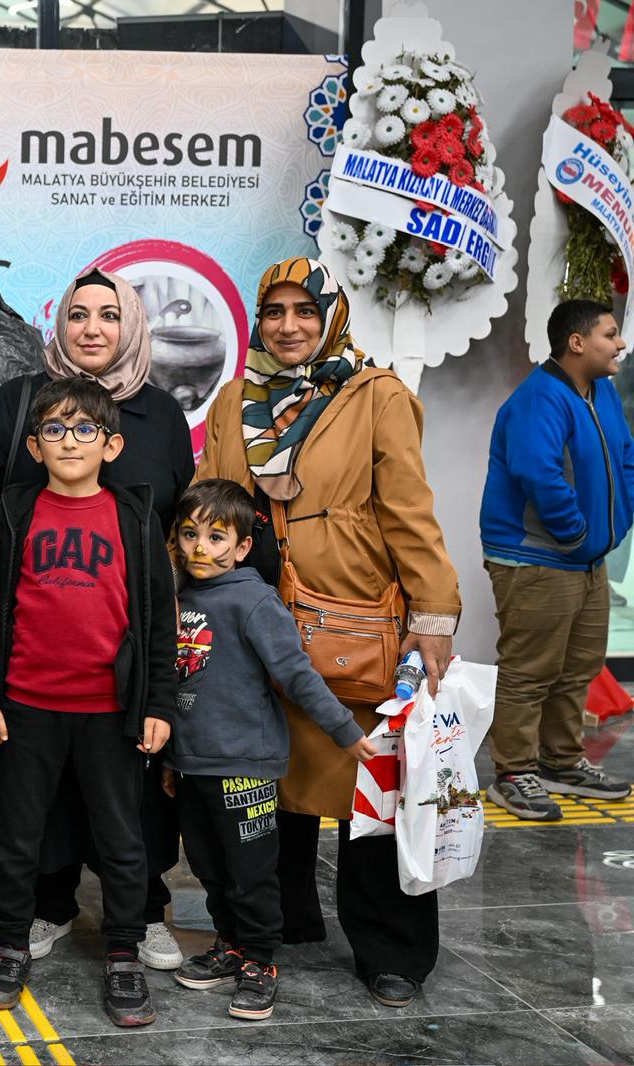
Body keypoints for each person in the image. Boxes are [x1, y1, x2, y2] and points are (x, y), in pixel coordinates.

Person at [194, 256, 460, 1009]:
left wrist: (434, 614)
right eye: (273, 312)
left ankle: (393, 950)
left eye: (303, 312)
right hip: (253, 624)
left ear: (331, 317)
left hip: (353, 624)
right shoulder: (232, 401)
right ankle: (275, 926)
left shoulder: (376, 396)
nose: (287, 326)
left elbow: (409, 510)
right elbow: (209, 505)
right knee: (263, 787)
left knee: (368, 790)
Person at [0, 267, 193, 969]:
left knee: (126, 822)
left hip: (112, 683)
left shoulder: (156, 433)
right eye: (77, 315)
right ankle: (39, 912)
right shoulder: (17, 418)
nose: (92, 328)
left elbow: (162, 588)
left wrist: (157, 693)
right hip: (32, 686)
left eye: (108, 315)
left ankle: (135, 926)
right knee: (27, 821)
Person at [166, 479, 376, 1022]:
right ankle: (229, 943)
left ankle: (260, 957)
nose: (199, 548)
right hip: (193, 764)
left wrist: (345, 732)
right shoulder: (178, 598)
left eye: (216, 537)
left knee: (250, 870)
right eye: (189, 534)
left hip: (245, 765)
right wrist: (169, 761)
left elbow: (297, 675)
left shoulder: (254, 599)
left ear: (240, 547)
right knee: (208, 866)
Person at [480, 299, 634, 819]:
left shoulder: (603, 391)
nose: (620, 344)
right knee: (530, 671)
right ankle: (513, 772)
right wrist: (577, 534)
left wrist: (619, 522)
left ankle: (561, 762)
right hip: (539, 560)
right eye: (610, 335)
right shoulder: (538, 399)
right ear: (576, 342)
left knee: (578, 668)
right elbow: (539, 476)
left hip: (585, 558)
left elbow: (626, 457)